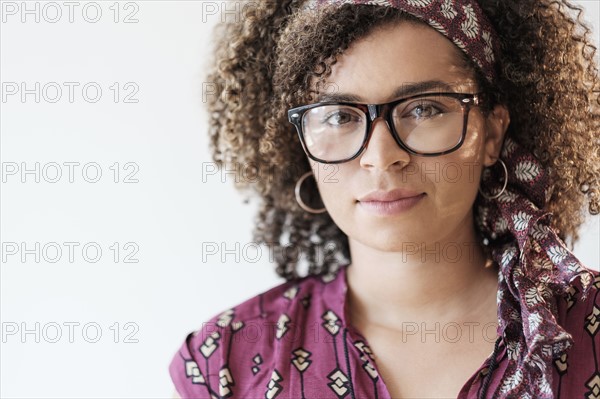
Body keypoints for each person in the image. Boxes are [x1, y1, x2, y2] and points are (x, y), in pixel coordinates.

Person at [169, 0, 600, 398]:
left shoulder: (591, 328)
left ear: (491, 132)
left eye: (424, 109)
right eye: (340, 116)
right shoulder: (226, 363)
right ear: (301, 147)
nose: (381, 158)